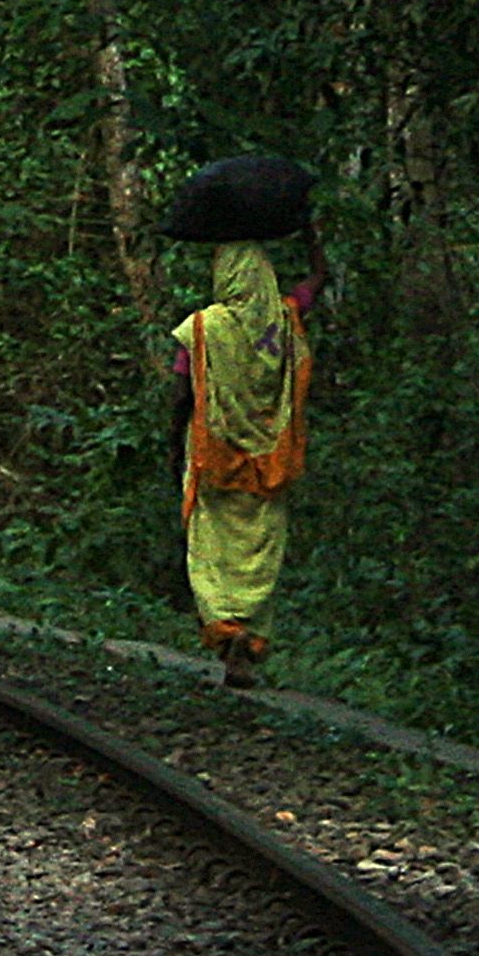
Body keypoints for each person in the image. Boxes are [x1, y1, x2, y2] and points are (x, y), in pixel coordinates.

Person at [169, 236, 311, 686]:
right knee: (261, 550)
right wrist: (310, 234)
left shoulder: (202, 329)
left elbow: (181, 395)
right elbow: (318, 283)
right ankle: (248, 638)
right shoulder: (286, 322)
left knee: (212, 551)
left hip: (215, 458)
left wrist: (175, 445)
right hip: (270, 460)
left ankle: (224, 627)